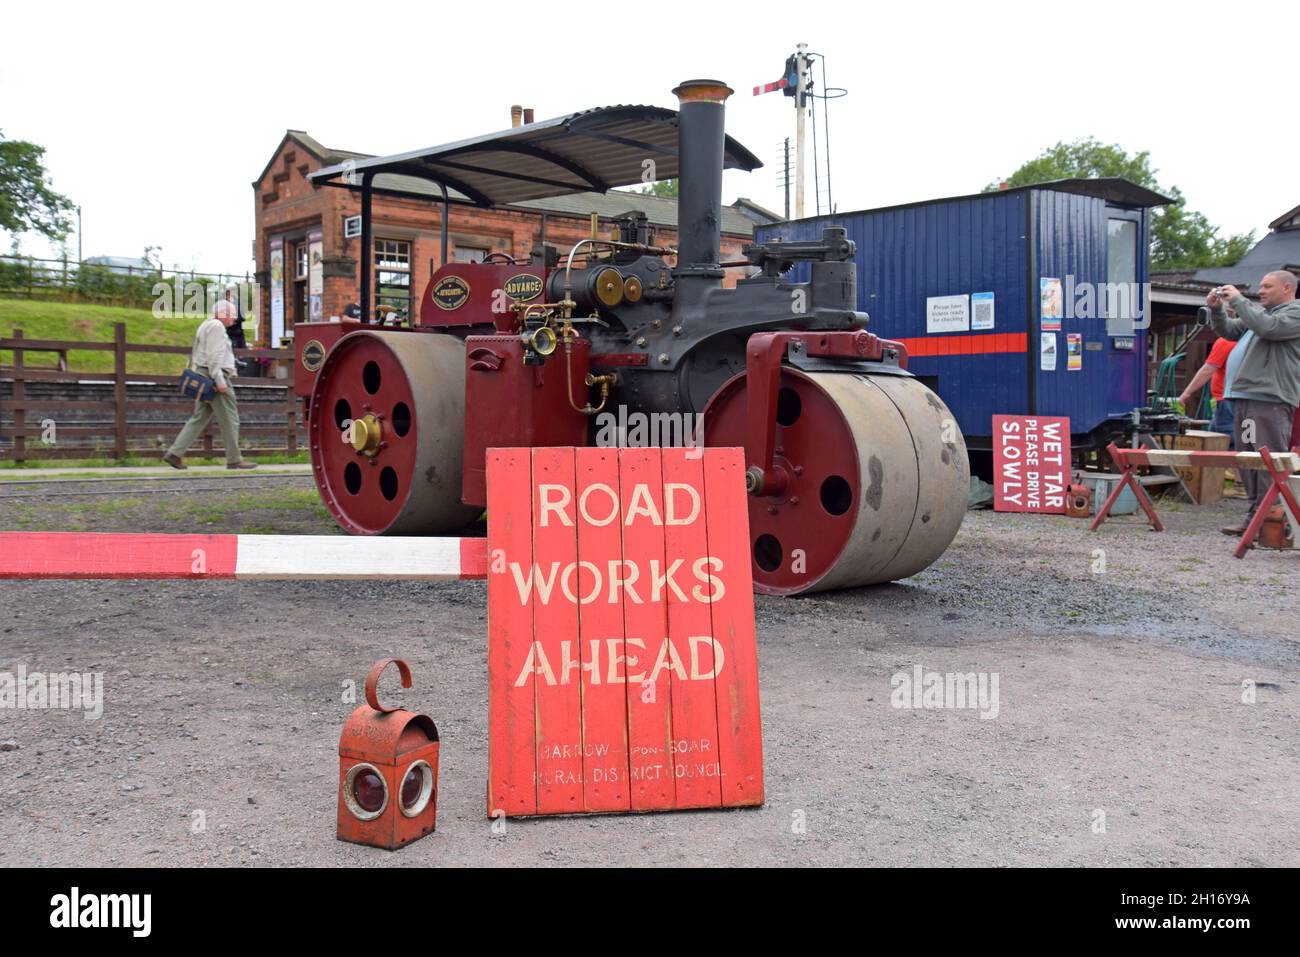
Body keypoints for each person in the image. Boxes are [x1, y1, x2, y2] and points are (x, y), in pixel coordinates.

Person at [1207, 271, 1300, 536]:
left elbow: (1269, 329)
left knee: (1268, 458)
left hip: (1269, 400)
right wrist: (1217, 311)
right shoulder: (1261, 315)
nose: (1261, 290)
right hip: (1246, 399)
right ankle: (1255, 516)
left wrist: (1237, 301)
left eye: (1267, 286)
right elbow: (1229, 331)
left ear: (1287, 287)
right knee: (1249, 458)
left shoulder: (1294, 313)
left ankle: (1275, 518)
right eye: (1260, 285)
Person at [163, 301, 258, 471]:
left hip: (203, 374)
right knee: (230, 418)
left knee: (199, 417)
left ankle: (175, 453)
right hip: (214, 376)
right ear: (222, 313)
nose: (235, 318)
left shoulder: (206, 324)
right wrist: (220, 381)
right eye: (232, 314)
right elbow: (215, 356)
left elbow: (198, 352)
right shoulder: (217, 327)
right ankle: (234, 459)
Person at [1178, 333, 1237, 437]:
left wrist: (1186, 393)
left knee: (1225, 441)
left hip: (1226, 401)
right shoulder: (1247, 340)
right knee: (1213, 437)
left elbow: (1207, 370)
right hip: (1238, 400)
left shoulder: (1226, 341)